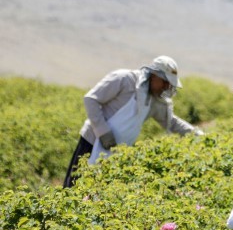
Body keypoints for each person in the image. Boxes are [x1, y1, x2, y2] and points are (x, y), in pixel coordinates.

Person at [63, 56, 203, 188]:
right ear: (154, 75)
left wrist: (198, 135)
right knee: (74, 186)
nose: (166, 87)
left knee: (95, 192)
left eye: (169, 84)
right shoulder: (124, 79)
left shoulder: (153, 100)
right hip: (92, 141)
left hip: (116, 152)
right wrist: (103, 131)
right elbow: (91, 99)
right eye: (164, 82)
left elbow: (171, 122)